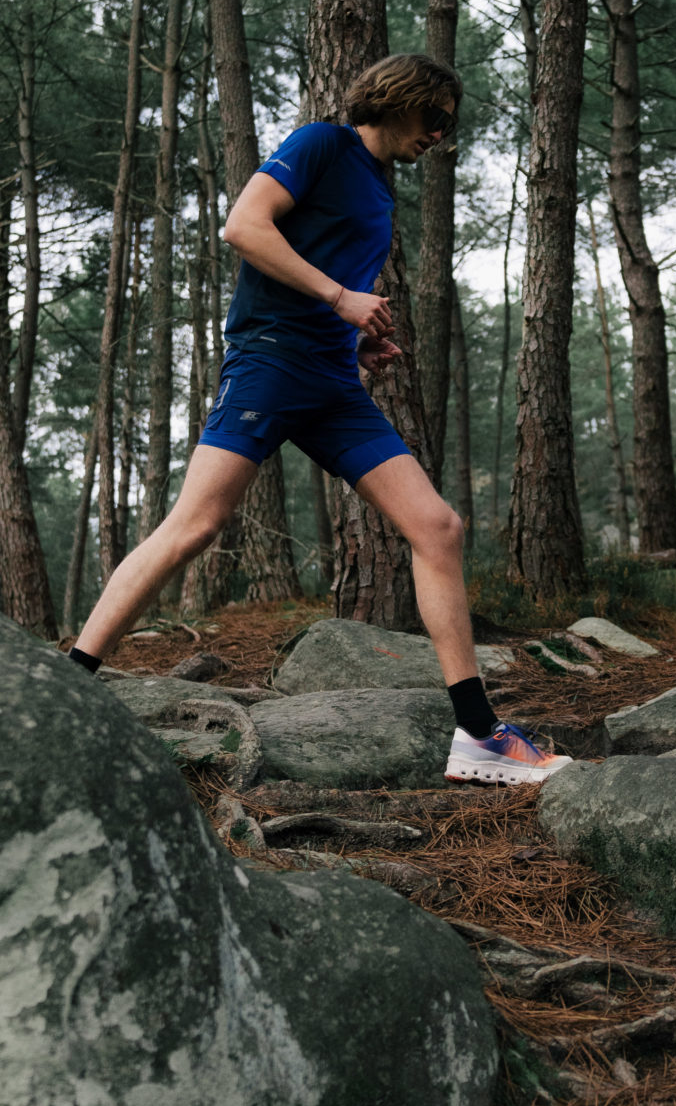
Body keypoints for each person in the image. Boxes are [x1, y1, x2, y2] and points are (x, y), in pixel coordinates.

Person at [68, 52, 571, 787]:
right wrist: (340, 298)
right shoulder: (321, 144)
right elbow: (244, 226)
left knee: (437, 527)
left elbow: (316, 267)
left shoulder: (378, 184)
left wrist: (355, 337)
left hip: (333, 382)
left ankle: (476, 735)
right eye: (435, 117)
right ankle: (70, 682)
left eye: (448, 125)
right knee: (195, 526)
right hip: (270, 365)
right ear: (397, 99)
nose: (440, 134)